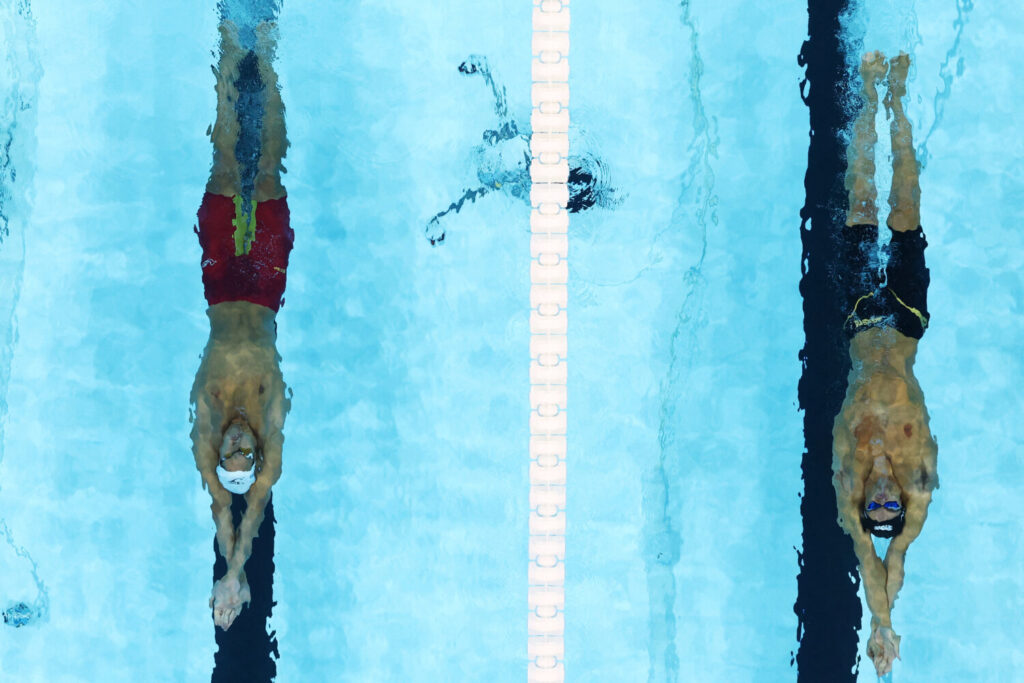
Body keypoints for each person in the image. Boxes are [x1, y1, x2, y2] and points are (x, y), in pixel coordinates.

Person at [831, 50, 940, 678]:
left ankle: (867, 93)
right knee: (905, 204)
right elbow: (891, 561)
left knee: (861, 201)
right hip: (903, 321)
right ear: (898, 507)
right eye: (885, 509)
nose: (878, 500)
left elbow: (867, 558)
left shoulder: (850, 478)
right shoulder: (916, 482)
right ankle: (895, 92)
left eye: (872, 509)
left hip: (857, 320)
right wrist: (886, 621)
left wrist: (877, 623)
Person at [189, 19, 292, 632]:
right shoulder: (267, 414)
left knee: (227, 164)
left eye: (232, 451)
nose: (238, 443)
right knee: (270, 169)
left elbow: (222, 507)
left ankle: (231, 41)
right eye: (245, 451)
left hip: (222, 283)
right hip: (265, 286)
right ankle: (268, 46)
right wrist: (239, 565)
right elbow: (252, 511)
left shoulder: (208, 419)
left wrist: (228, 566)